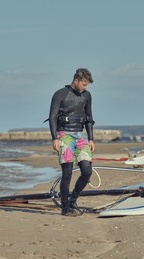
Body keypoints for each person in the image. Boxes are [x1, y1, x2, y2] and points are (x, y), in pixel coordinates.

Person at [47, 68, 95, 217]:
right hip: (64, 134)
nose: (85, 87)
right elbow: (53, 117)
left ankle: (73, 200)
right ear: (76, 80)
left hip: (80, 135)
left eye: (87, 85)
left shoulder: (87, 95)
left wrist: (91, 138)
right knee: (67, 173)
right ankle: (65, 207)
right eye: (84, 84)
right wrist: (54, 137)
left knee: (87, 171)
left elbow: (89, 118)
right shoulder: (60, 94)